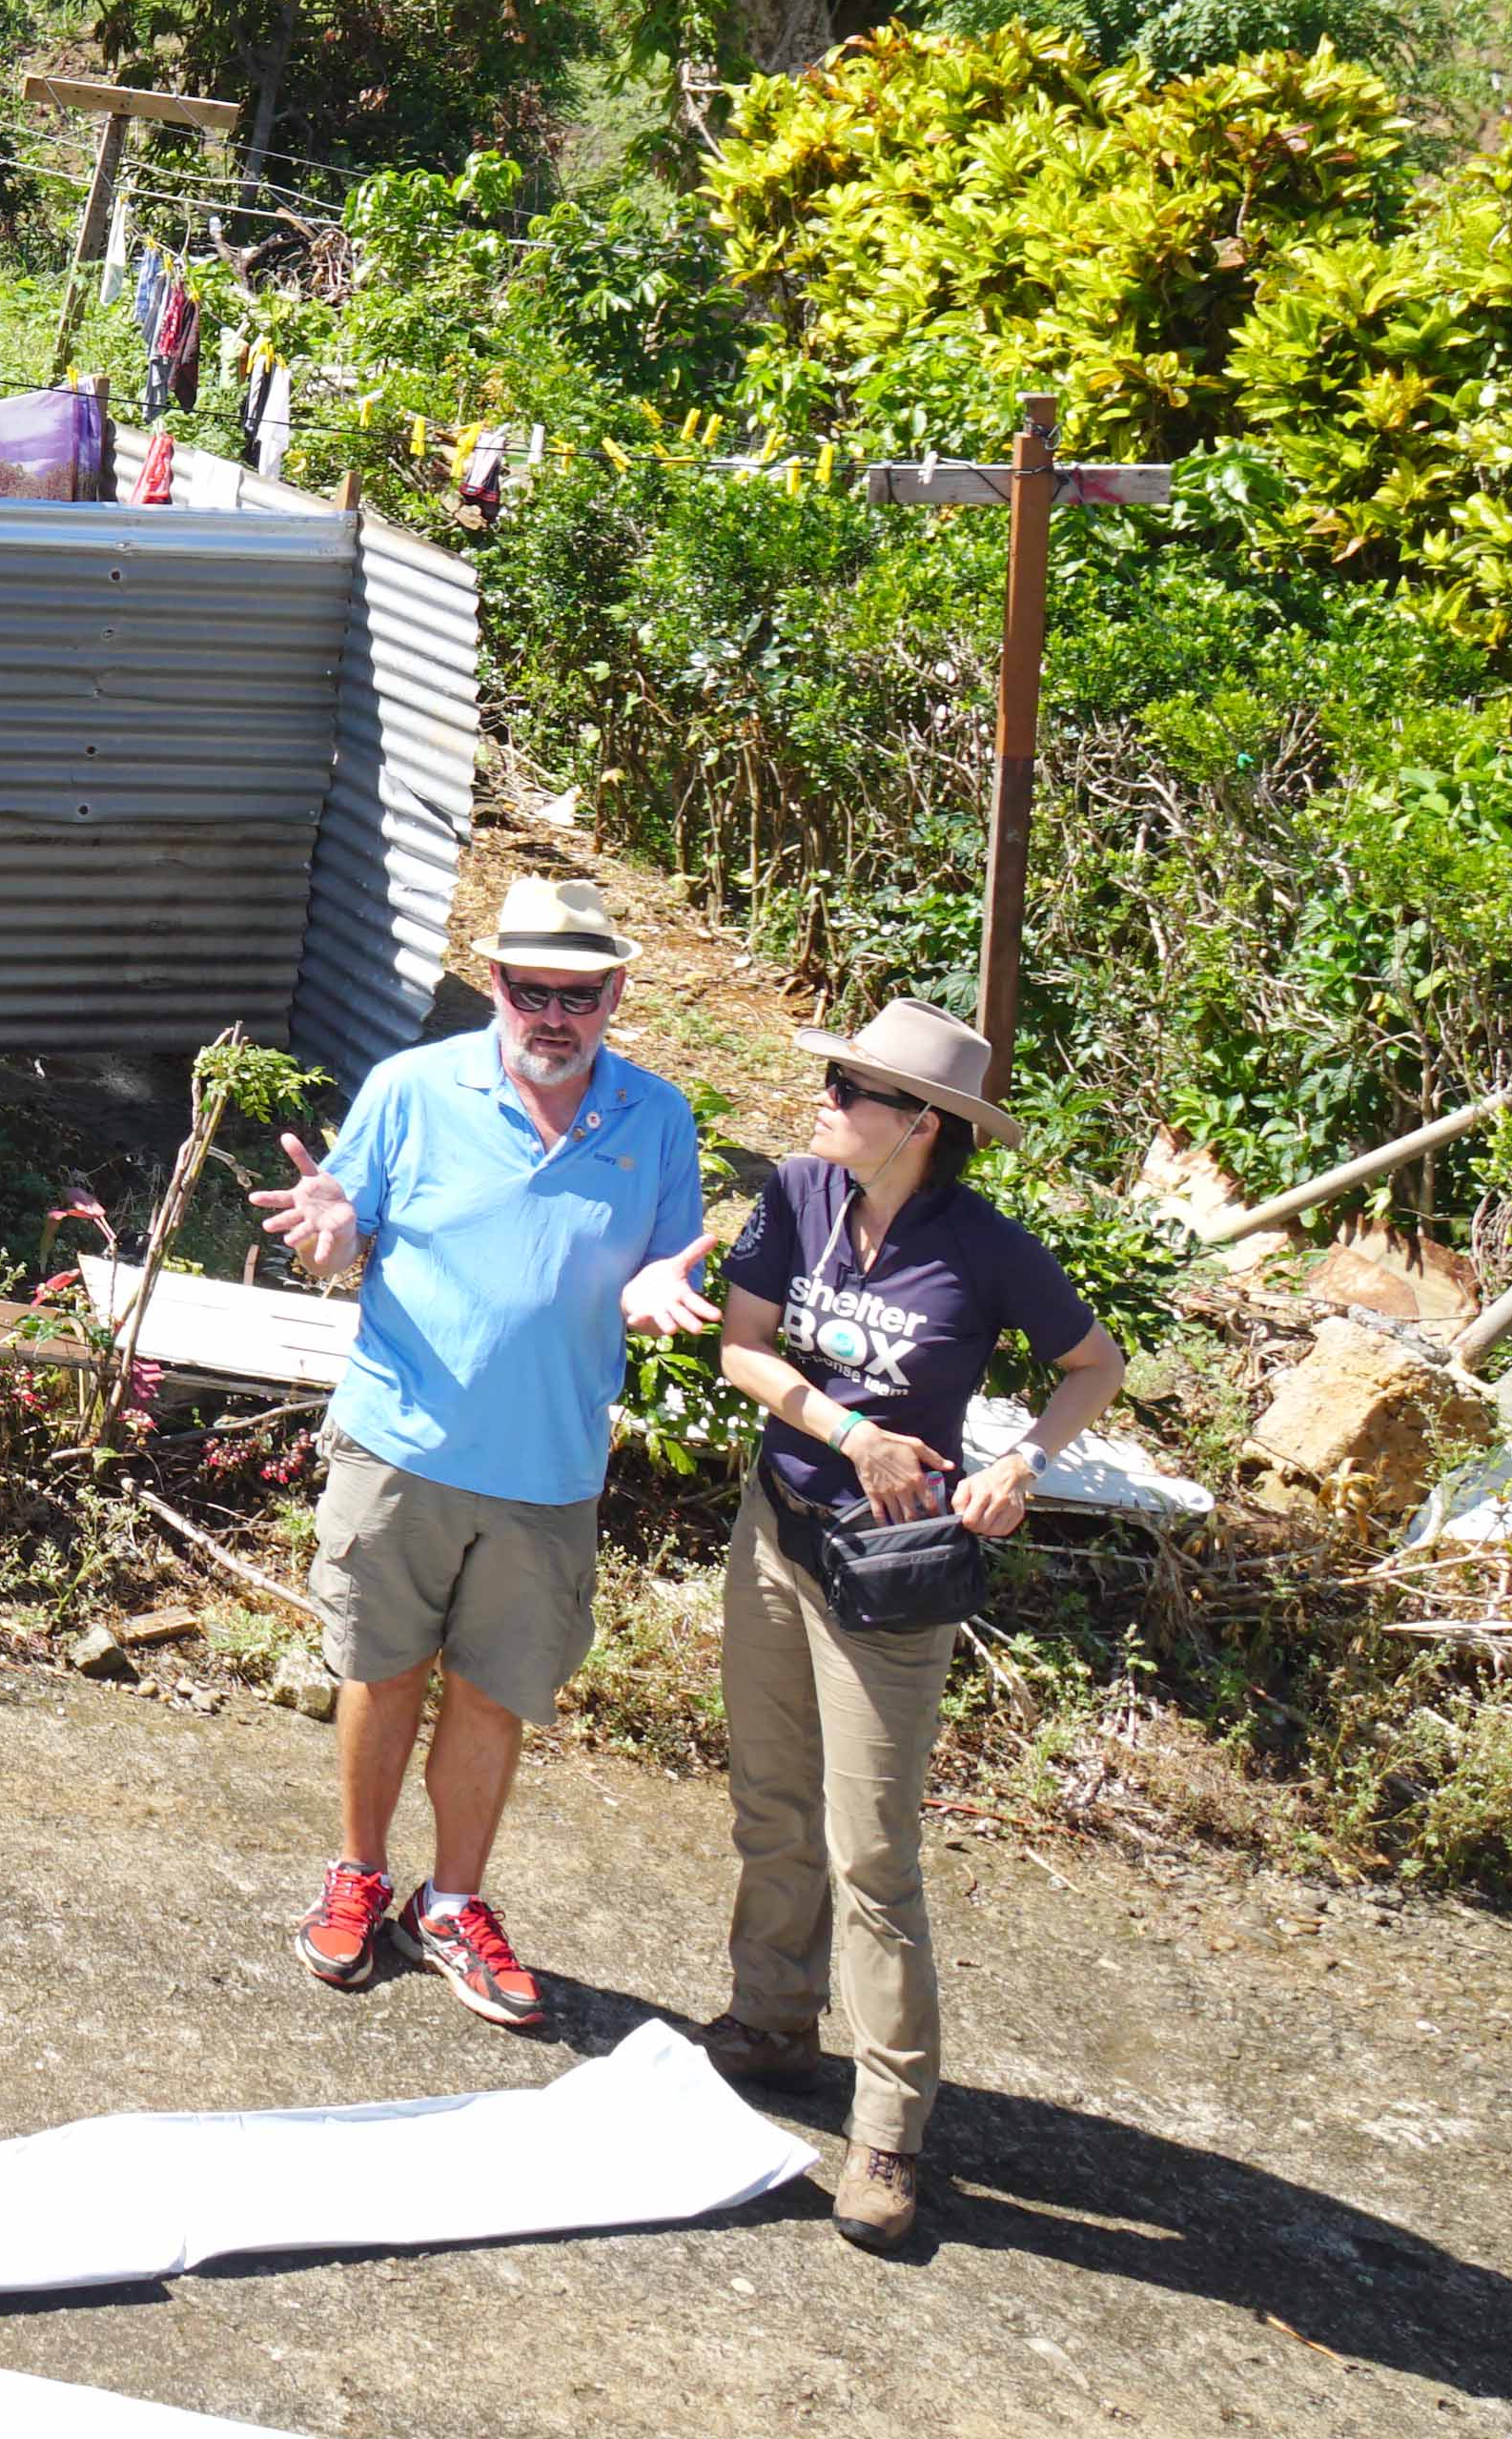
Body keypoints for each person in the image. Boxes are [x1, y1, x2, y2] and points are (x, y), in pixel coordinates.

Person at [249, 875, 718, 2026]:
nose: (553, 1015)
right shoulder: (412, 1089)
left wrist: (670, 1280)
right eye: (528, 989)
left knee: (496, 1695)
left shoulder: (656, 1118)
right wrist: (330, 1233)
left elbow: (677, 1258)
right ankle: (357, 1876)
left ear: (615, 994)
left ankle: (449, 1904)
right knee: (382, 1667)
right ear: (495, 984)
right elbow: (339, 1227)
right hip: (400, 1444)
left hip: (550, 1468)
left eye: (580, 993)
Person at [704, 997, 1125, 2254]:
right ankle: (773, 2019)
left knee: (871, 1854)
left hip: (888, 1580)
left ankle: (888, 2131)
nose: (827, 1098)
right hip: (777, 1528)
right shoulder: (795, 1196)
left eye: (854, 1086)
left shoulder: (986, 1248)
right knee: (770, 1802)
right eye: (835, 1077)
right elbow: (743, 1352)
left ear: (924, 1125)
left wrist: (1021, 1466)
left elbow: (1093, 1364)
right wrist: (850, 1433)